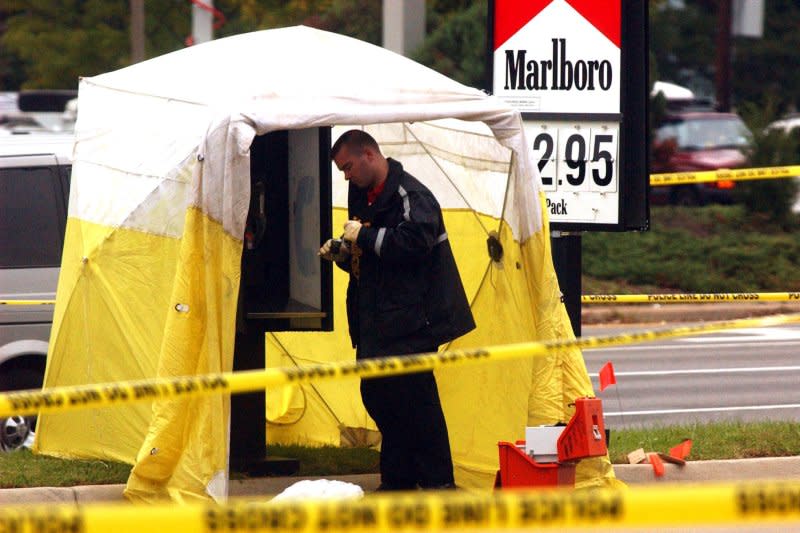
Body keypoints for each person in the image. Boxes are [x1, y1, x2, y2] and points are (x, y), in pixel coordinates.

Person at [319, 129, 476, 491]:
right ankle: (398, 483)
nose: (345, 176)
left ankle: (440, 487)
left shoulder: (414, 195)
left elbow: (413, 245)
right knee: (381, 398)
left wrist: (366, 237)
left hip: (412, 322)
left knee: (417, 404)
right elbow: (371, 256)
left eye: (348, 167)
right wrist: (344, 253)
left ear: (370, 155)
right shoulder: (361, 192)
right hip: (376, 320)